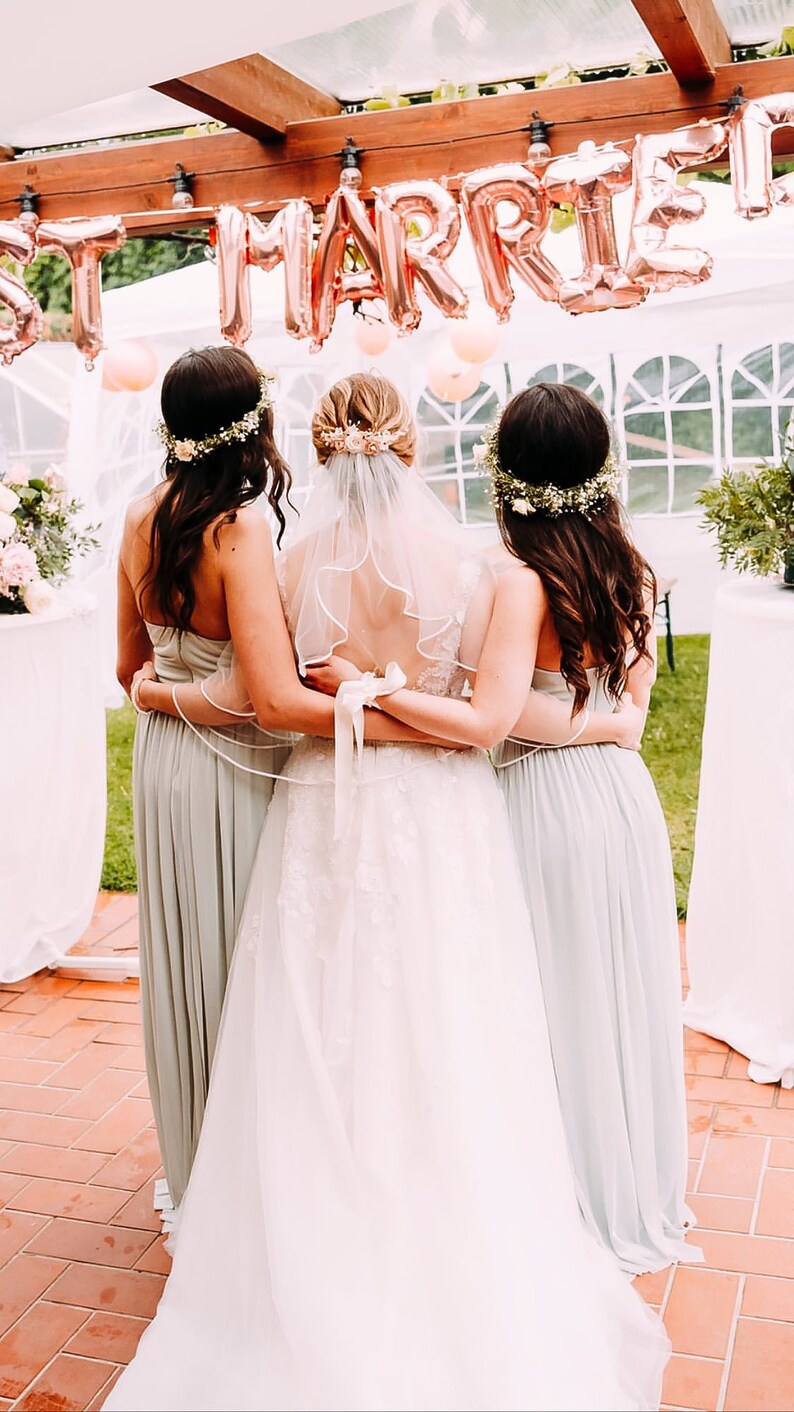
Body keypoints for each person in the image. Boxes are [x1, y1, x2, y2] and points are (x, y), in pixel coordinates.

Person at [107, 373, 668, 1412]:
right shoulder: (467, 562)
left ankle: (321, 1219)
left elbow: (274, 707)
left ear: (318, 451)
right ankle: (453, 1212)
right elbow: (477, 709)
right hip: (439, 810)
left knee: (319, 1012)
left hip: (322, 807)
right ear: (409, 448)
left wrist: (346, 696)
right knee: (450, 1016)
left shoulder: (284, 558)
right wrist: (401, 704)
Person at [325, 382, 701, 1277]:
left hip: (542, 805)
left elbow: (490, 721)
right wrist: (605, 726)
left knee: (550, 999)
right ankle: (635, 1186)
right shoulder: (631, 565)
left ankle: (569, 1197)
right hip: (620, 797)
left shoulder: (518, 582)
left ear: (507, 473)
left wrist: (369, 686)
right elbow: (631, 710)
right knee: (617, 988)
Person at [117, 349, 441, 1217]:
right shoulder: (240, 527)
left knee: (184, 956)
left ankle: (194, 1164)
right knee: (238, 965)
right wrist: (394, 722)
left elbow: (128, 670)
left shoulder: (138, 515)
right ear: (254, 425)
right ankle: (245, 1190)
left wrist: (167, 694)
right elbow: (270, 701)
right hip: (229, 767)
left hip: (164, 763)